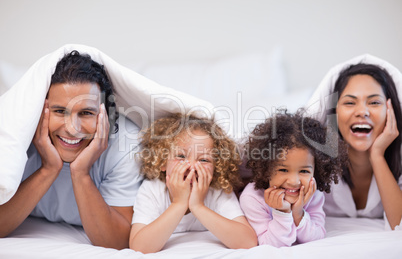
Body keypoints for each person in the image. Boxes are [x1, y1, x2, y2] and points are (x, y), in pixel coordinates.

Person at [0, 51, 143, 249]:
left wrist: (80, 173)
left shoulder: (125, 144)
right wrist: (49, 168)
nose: (72, 128)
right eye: (59, 111)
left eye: (86, 113)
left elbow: (117, 241)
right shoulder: (16, 138)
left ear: (105, 116)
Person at [129, 113, 257, 253]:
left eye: (203, 160)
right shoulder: (152, 190)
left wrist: (198, 206)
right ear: (162, 162)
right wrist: (179, 203)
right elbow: (139, 247)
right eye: (181, 156)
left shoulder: (218, 191)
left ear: (216, 168)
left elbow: (248, 242)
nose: (191, 166)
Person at [311, 63, 402, 230]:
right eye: (350, 103)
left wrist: (377, 155)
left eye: (374, 102)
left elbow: (399, 224)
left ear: (391, 110)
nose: (362, 111)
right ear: (334, 113)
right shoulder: (311, 159)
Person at [239, 111, 347, 247]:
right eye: (283, 170)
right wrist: (282, 212)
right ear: (265, 168)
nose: (294, 181)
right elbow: (269, 244)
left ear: (316, 170)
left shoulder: (313, 194)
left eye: (304, 171)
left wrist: (298, 213)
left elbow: (317, 236)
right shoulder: (252, 198)